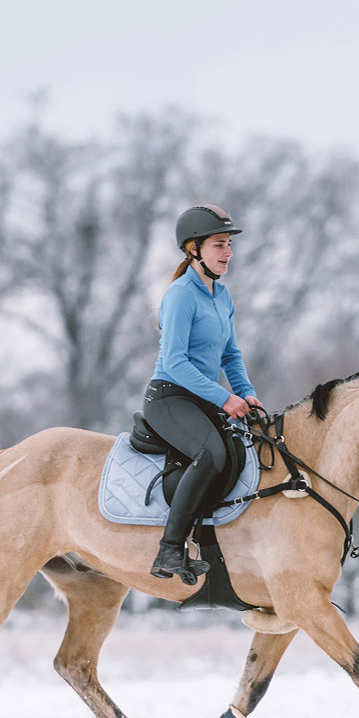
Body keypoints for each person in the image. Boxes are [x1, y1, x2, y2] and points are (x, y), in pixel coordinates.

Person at [143, 205, 265, 583]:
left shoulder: (222, 296)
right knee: (210, 452)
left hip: (202, 399)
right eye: (219, 245)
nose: (228, 253)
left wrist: (247, 393)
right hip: (169, 397)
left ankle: (210, 546)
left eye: (228, 244)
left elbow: (230, 354)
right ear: (193, 249)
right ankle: (168, 550)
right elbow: (175, 363)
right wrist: (226, 399)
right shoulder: (180, 295)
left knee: (238, 451)